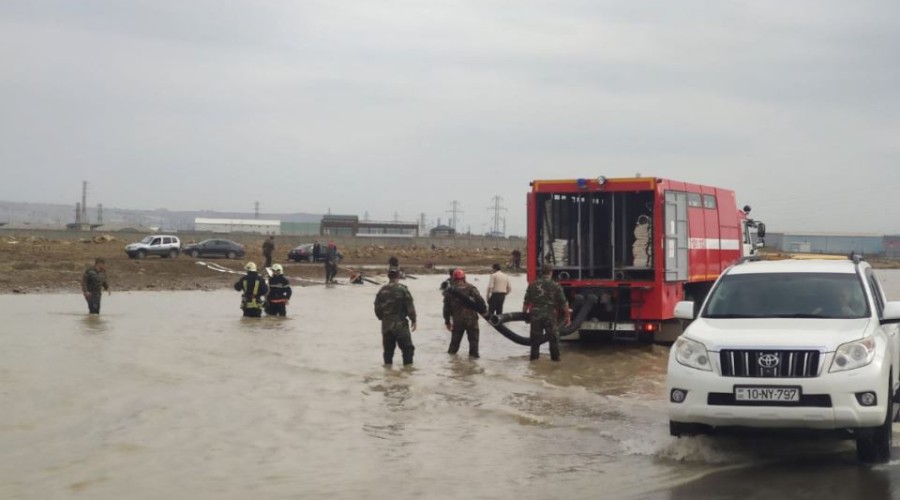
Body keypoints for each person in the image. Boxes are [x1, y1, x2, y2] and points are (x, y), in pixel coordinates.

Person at [523, 264, 570, 361]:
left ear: (541, 272)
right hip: (550, 315)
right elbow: (564, 303)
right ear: (551, 272)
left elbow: (526, 303)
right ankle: (555, 362)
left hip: (536, 315)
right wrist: (568, 316)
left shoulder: (532, 285)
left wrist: (525, 316)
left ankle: (534, 363)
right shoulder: (556, 286)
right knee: (553, 339)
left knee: (535, 340)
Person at [374, 267, 417, 366]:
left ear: (388, 276)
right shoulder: (402, 289)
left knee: (388, 352)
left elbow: (377, 308)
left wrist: (383, 318)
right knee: (407, 349)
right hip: (400, 324)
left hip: (386, 325)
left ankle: (388, 375)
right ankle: (407, 374)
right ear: (398, 276)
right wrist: (413, 320)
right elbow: (409, 306)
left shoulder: (382, 290)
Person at [443, 269, 487, 358]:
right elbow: (481, 302)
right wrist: (483, 311)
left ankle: (452, 366)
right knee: (474, 346)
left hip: (458, 321)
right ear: (464, 278)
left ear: (454, 279)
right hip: (472, 321)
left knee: (453, 347)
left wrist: (447, 322)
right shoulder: (471, 289)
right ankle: (473, 367)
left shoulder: (450, 291)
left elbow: (446, 309)